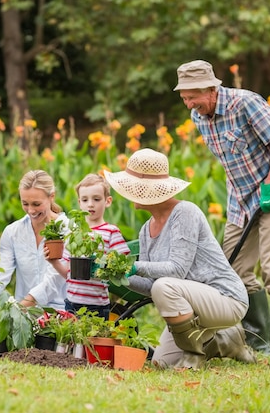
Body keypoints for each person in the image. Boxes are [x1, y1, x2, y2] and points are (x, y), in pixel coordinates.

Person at [174, 60, 270, 353]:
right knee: (233, 271)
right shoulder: (199, 117)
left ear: (211, 88)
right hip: (239, 204)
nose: (190, 104)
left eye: (194, 97)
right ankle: (257, 339)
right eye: (184, 98)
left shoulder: (245, 103)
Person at [104, 148, 256, 369]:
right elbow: (150, 287)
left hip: (226, 298)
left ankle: (194, 355)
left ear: (147, 191)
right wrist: (115, 276)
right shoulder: (146, 230)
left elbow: (176, 270)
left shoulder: (185, 213)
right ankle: (227, 342)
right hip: (193, 305)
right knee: (161, 362)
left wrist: (134, 266)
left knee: (165, 286)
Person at [47, 174, 130, 320]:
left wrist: (103, 269)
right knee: (71, 341)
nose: (90, 204)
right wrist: (53, 262)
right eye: (85, 200)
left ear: (108, 201)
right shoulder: (75, 234)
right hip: (72, 302)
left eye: (96, 199)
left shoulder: (111, 231)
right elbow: (67, 271)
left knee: (94, 341)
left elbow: (123, 265)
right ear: (79, 203)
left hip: (97, 305)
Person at [0, 170, 67, 309]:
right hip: (23, 314)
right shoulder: (13, 232)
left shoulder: (67, 229)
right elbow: (2, 272)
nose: (31, 210)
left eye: (36, 204)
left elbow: (56, 278)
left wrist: (20, 308)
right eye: (25, 203)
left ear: (52, 197)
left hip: (59, 311)